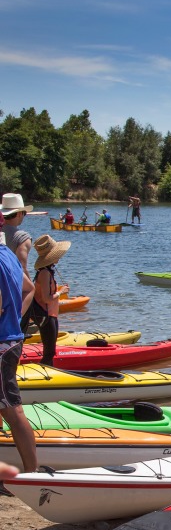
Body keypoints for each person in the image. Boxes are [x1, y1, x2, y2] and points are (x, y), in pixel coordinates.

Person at [0, 236, 38, 474]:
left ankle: (32, 474)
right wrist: (14, 317)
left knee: (13, 410)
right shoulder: (8, 256)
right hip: (11, 340)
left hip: (2, 344)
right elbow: (29, 288)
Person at [19, 235, 70, 367]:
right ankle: (44, 374)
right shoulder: (45, 273)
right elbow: (47, 298)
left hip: (50, 314)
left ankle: (48, 371)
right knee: (49, 353)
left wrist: (57, 291)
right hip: (46, 315)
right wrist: (60, 292)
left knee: (50, 351)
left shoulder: (48, 271)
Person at [1, 194, 33, 274]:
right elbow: (22, 270)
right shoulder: (22, 238)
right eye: (24, 213)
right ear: (19, 214)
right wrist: (32, 287)